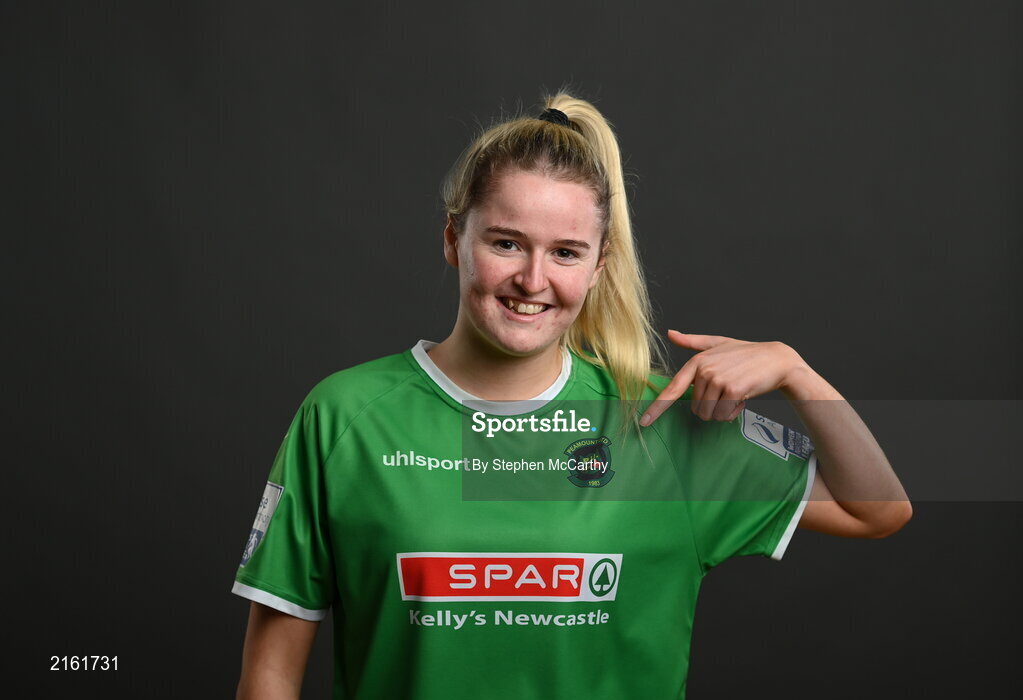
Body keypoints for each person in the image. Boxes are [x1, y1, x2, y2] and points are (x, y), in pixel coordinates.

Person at [231, 92, 912, 700]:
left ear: (597, 267)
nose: (532, 279)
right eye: (505, 243)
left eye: (564, 252)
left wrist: (799, 374)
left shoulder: (657, 420)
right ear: (452, 240)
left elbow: (876, 509)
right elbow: (269, 675)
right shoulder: (346, 414)